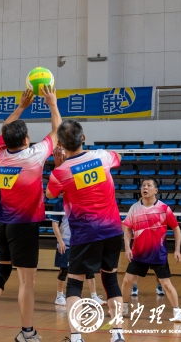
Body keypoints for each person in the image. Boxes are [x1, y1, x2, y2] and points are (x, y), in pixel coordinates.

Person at [0, 86, 61, 342]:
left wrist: (21, 106)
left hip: (1, 224)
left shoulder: (0, 156)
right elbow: (57, 131)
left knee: (0, 272)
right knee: (27, 283)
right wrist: (52, 103)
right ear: (26, 139)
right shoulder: (34, 156)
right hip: (24, 226)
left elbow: (5, 127)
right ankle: (27, 333)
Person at [45, 119, 125, 342]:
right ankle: (118, 334)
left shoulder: (60, 172)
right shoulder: (101, 156)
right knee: (111, 281)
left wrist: (57, 166)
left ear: (60, 144)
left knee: (74, 283)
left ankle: (76, 337)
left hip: (85, 234)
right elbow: (119, 157)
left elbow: (50, 194)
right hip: (112, 230)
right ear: (83, 137)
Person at [121, 178, 181, 323]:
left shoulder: (164, 208)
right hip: (139, 253)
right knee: (127, 280)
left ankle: (177, 312)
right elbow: (127, 229)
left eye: (149, 185)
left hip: (158, 253)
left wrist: (177, 250)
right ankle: (123, 307)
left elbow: (176, 229)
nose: (145, 187)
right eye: (143, 185)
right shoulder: (134, 208)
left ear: (156, 190)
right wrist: (127, 247)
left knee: (166, 284)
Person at [49, 199, 105, 307]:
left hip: (81, 242)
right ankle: (59, 296)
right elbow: (54, 224)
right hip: (65, 243)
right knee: (64, 270)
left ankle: (94, 296)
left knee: (89, 270)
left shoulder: (82, 201)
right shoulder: (60, 204)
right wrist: (60, 241)